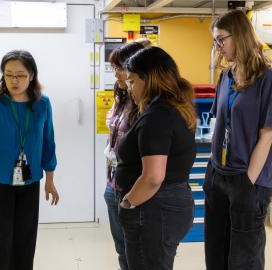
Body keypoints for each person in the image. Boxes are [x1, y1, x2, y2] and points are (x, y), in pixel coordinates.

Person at [0, 50, 59, 270]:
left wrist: (49, 179)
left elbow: (48, 142)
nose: (14, 80)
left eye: (20, 75)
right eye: (9, 75)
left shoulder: (42, 104)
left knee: (25, 240)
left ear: (31, 75)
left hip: (29, 181)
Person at [116, 46, 196, 270]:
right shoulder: (174, 107)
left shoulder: (157, 116)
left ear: (148, 79)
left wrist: (128, 203)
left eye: (132, 81)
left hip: (153, 208)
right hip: (165, 204)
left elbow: (153, 177)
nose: (129, 88)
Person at [204, 9, 272, 270]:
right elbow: (220, 124)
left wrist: (248, 182)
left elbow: (267, 136)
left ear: (240, 36)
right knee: (216, 257)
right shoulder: (226, 76)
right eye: (215, 41)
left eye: (221, 39)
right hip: (218, 176)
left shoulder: (267, 78)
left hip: (247, 179)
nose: (218, 47)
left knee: (244, 260)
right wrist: (212, 171)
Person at [104, 42, 144, 270]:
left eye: (120, 67)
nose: (117, 74)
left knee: (136, 250)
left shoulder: (143, 102)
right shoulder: (121, 97)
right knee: (122, 249)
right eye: (114, 68)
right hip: (113, 182)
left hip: (132, 185)